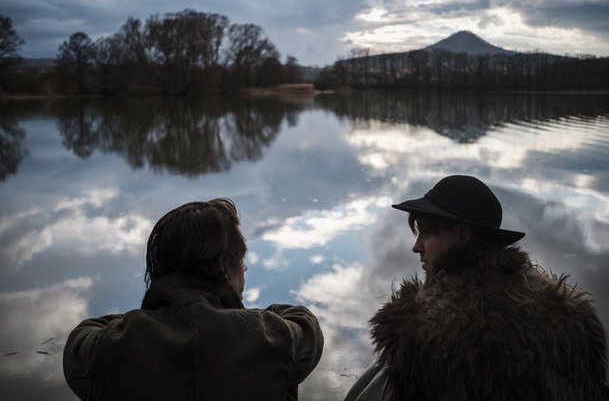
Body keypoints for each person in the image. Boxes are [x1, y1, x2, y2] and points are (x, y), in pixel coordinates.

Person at [345, 175, 608, 400]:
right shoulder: (572, 318)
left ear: (461, 236)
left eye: (427, 232)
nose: (417, 246)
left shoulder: (425, 336)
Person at [63, 199, 324, 400]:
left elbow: (83, 336)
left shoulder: (104, 348)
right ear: (224, 265)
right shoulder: (273, 337)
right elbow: (304, 322)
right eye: (241, 258)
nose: (245, 268)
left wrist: (161, 309)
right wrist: (238, 315)